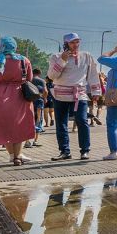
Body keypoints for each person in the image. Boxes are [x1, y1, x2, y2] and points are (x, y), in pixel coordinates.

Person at [0, 37, 35, 167]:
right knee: (18, 126)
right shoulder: (24, 60)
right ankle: (16, 157)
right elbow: (29, 79)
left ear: (0, 46)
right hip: (18, 97)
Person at [47, 32, 101, 160]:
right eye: (72, 42)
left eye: (77, 42)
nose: (75, 45)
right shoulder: (56, 57)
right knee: (61, 123)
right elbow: (51, 76)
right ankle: (65, 151)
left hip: (79, 94)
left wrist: (96, 92)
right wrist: (62, 60)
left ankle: (85, 150)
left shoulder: (86, 56)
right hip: (60, 94)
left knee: (82, 120)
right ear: (65, 44)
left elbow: (93, 74)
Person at [25, 67, 47, 149]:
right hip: (39, 101)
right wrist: (45, 98)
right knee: (38, 120)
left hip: (29, 102)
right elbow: (45, 91)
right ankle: (35, 141)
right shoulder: (41, 81)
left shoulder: (28, 80)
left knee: (29, 121)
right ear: (39, 73)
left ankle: (27, 141)